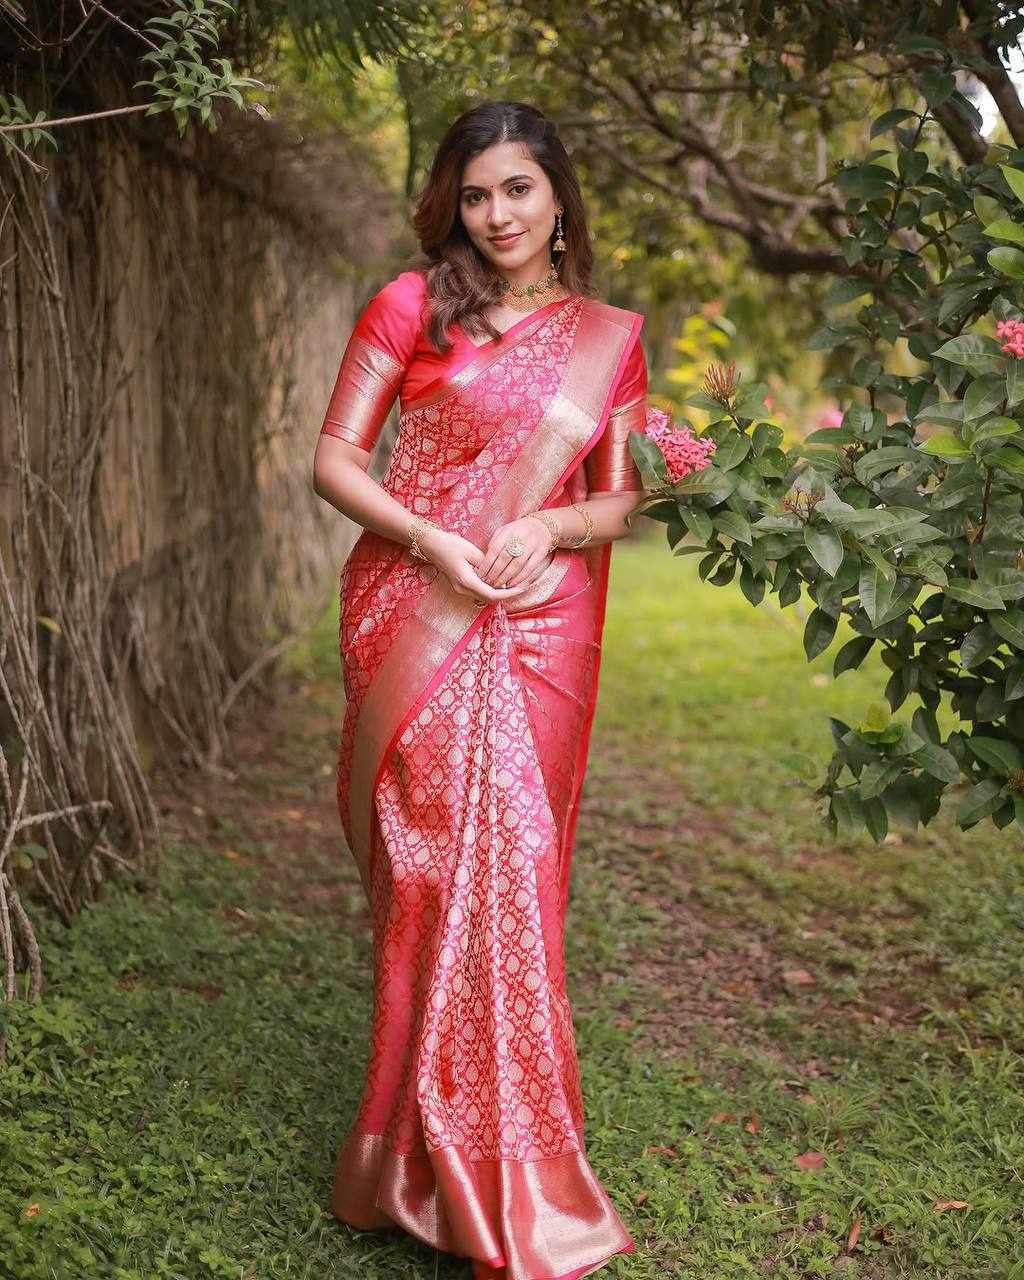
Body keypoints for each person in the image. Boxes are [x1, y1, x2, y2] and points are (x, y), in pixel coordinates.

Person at [312, 99, 654, 1280]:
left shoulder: (607, 338)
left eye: (517, 188)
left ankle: (505, 1166)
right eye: (474, 193)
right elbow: (334, 460)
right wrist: (429, 539)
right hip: (414, 607)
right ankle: (406, 1154)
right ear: (450, 205)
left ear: (559, 199)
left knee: (514, 872)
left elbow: (619, 498)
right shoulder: (410, 305)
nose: (496, 213)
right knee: (425, 877)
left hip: (540, 620)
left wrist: (549, 524)